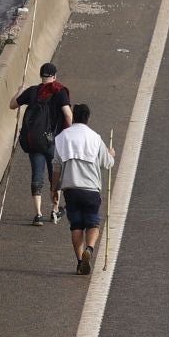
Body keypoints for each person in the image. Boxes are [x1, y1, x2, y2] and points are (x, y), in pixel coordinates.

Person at [53, 103, 114, 275]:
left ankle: (80, 262)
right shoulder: (95, 138)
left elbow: (56, 166)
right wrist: (111, 153)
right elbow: (108, 163)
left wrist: (54, 189)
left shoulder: (62, 137)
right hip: (91, 189)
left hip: (70, 189)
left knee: (76, 226)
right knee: (93, 222)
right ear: (88, 118)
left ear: (74, 116)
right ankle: (90, 248)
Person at [11, 62, 71, 223]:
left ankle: (38, 214)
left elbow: (12, 105)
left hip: (34, 141)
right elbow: (67, 114)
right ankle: (54, 210)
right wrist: (68, 132)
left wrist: (19, 91)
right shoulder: (59, 92)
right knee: (55, 176)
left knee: (37, 176)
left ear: (41, 76)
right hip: (53, 141)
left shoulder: (32, 91)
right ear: (55, 76)